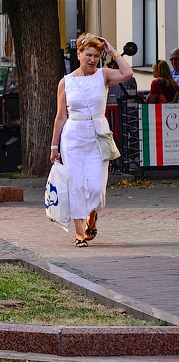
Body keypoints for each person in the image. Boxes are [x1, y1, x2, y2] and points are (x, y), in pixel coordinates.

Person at [50, 33, 133, 247]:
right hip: (73, 136)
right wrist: (54, 146)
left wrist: (112, 51)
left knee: (96, 186)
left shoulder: (103, 75)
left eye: (96, 56)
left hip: (97, 134)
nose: (92, 60)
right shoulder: (65, 82)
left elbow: (127, 73)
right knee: (76, 185)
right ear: (78, 54)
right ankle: (79, 233)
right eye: (88, 55)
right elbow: (60, 116)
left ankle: (92, 216)